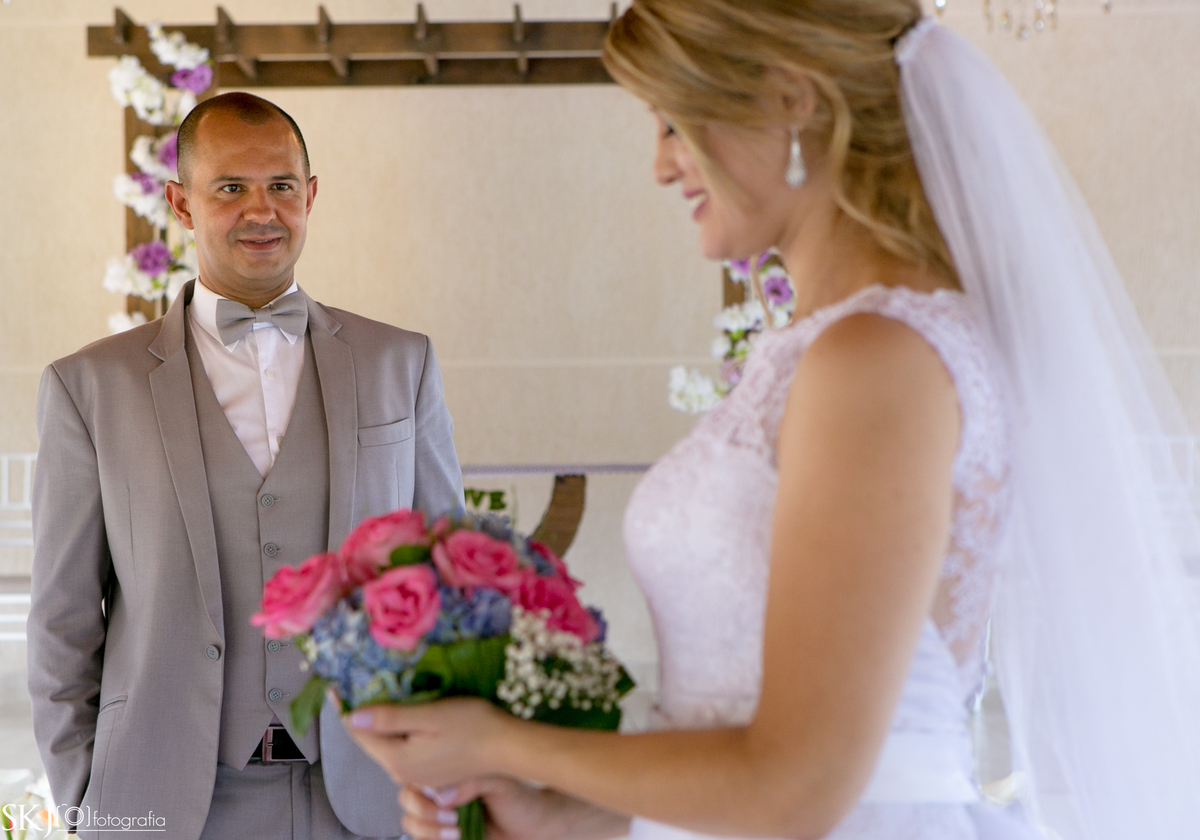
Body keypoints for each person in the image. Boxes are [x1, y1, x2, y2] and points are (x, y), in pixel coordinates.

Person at [342, 3, 1200, 840]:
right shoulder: (829, 346)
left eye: (675, 122)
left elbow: (800, 786)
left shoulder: (878, 358)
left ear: (795, 98)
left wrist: (501, 741)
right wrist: (572, 817)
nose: (659, 163)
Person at [28, 92, 463, 840]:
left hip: (370, 798)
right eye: (230, 188)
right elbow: (64, 624)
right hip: (165, 805)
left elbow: (448, 584)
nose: (261, 211)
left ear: (311, 195)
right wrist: (90, 808)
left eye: (281, 186)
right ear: (182, 204)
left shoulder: (402, 363)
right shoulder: (89, 386)